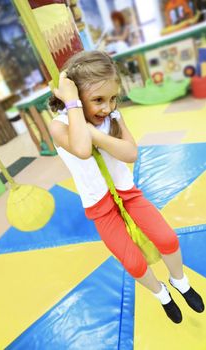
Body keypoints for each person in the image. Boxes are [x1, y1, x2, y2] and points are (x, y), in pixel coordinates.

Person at [49, 50, 204, 324]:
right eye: (98, 100)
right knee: (133, 262)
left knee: (168, 239)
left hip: (128, 194)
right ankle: (162, 294)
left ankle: (179, 280)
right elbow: (83, 150)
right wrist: (72, 104)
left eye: (112, 98)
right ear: (74, 95)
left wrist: (96, 131)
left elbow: (130, 153)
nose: (107, 107)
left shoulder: (113, 117)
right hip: (100, 207)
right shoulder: (59, 126)